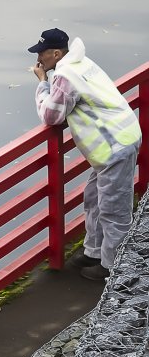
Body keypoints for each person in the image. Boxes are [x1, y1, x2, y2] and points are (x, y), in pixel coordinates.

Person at [28, 28, 143, 280]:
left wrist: (41, 84)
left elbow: (51, 115)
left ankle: (113, 269)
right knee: (93, 197)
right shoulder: (81, 62)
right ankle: (94, 252)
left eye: (42, 53)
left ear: (56, 53)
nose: (40, 59)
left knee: (114, 210)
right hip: (118, 140)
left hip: (115, 146)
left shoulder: (65, 75)